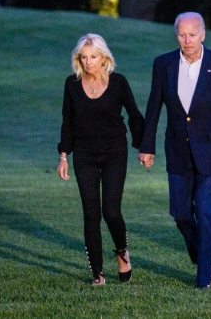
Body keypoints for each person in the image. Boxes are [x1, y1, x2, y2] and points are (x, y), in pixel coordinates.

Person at [138, 12, 211, 289]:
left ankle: (203, 278)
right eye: (181, 34)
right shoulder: (163, 64)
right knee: (181, 215)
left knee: (207, 214)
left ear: (203, 35)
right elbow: (153, 108)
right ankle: (202, 257)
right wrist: (146, 146)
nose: (187, 40)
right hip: (177, 151)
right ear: (176, 35)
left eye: (192, 34)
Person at [57, 33, 144, 286]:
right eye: (83, 57)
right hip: (84, 155)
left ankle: (121, 252)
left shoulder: (118, 83)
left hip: (115, 153)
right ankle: (98, 273)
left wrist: (143, 147)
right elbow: (68, 122)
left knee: (111, 212)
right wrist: (64, 155)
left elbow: (135, 115)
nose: (88, 62)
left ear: (104, 58)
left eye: (93, 57)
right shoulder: (71, 85)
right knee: (91, 213)